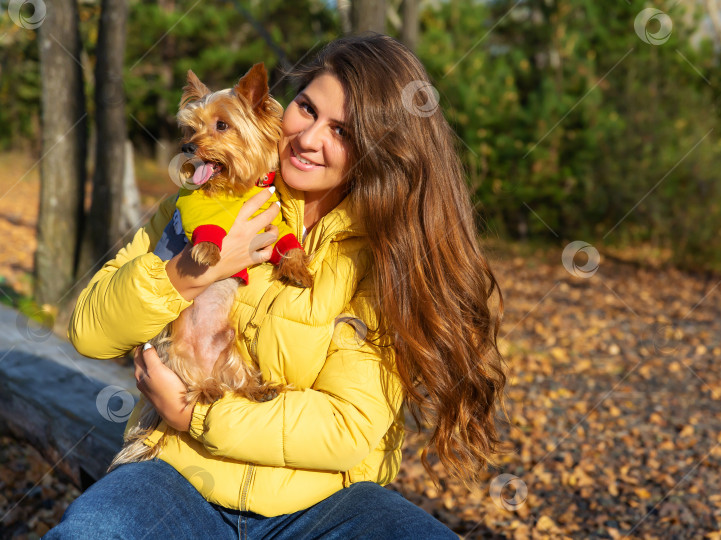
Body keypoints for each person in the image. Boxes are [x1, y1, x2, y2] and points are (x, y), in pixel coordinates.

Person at [45, 33, 508, 539]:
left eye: (342, 130)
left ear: (380, 148)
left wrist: (193, 414)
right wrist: (193, 271)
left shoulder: (388, 254)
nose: (308, 139)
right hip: (176, 476)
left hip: (323, 504)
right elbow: (91, 332)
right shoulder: (203, 197)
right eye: (306, 108)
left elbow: (345, 425)